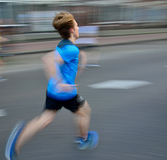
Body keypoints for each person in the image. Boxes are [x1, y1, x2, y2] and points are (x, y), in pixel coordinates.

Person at [6, 12, 98, 160]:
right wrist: (61, 83)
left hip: (53, 91)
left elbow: (63, 64)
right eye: (77, 25)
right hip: (66, 93)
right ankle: (83, 139)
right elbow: (47, 59)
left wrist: (80, 62)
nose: (79, 27)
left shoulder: (64, 45)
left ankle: (17, 141)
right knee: (85, 111)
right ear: (72, 30)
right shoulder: (71, 49)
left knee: (45, 119)